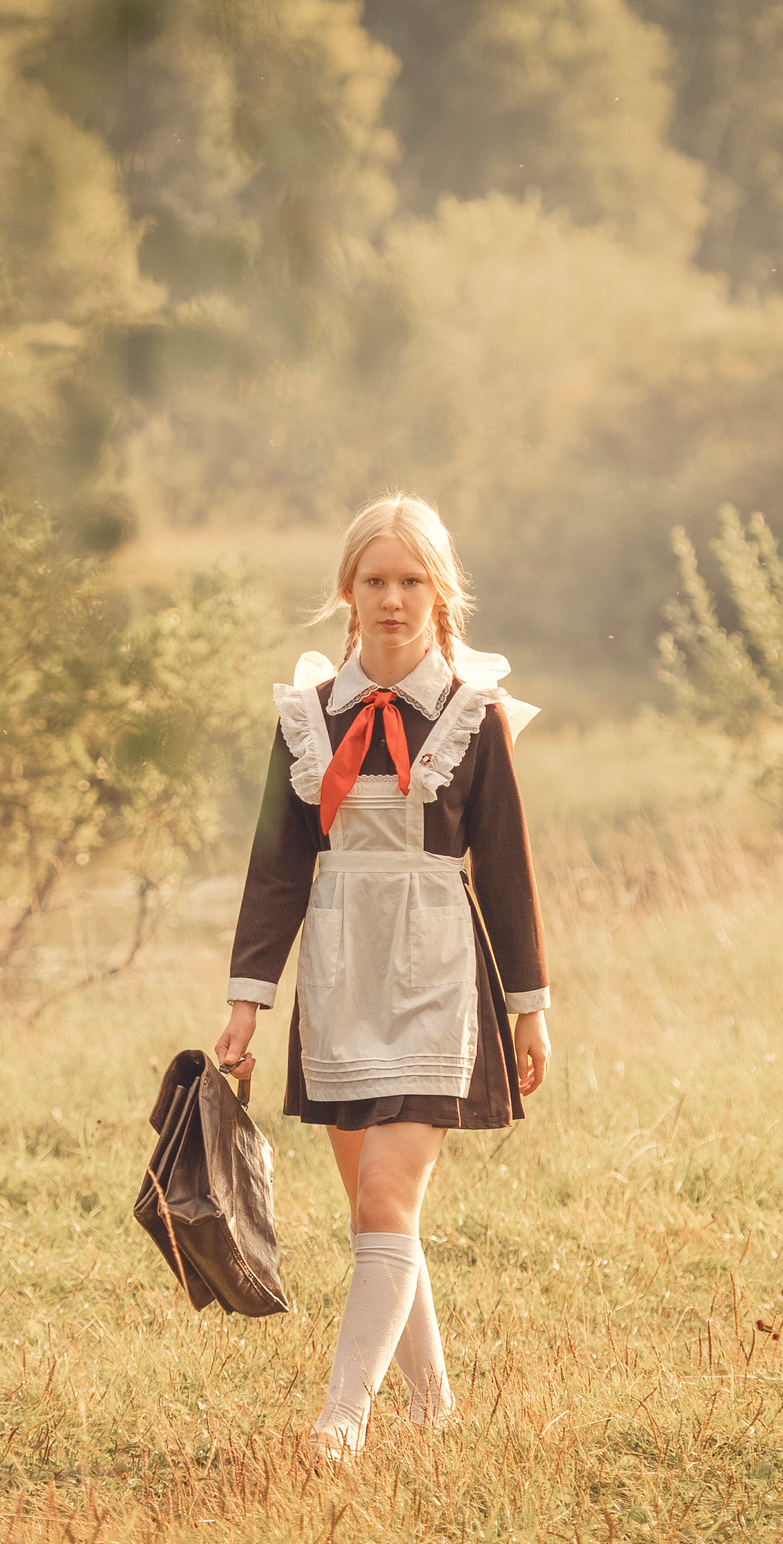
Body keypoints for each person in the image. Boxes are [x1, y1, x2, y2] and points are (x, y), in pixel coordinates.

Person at [214, 492, 550, 1462]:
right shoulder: (305, 719)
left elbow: (508, 870)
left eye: (411, 580)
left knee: (383, 1203)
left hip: (438, 979)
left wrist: (529, 1010)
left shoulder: (473, 719)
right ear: (346, 593)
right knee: (377, 1211)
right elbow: (276, 871)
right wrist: (248, 1001)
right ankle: (434, 1411)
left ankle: (341, 1420)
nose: (392, 599)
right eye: (375, 580)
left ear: (438, 592)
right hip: (339, 979)